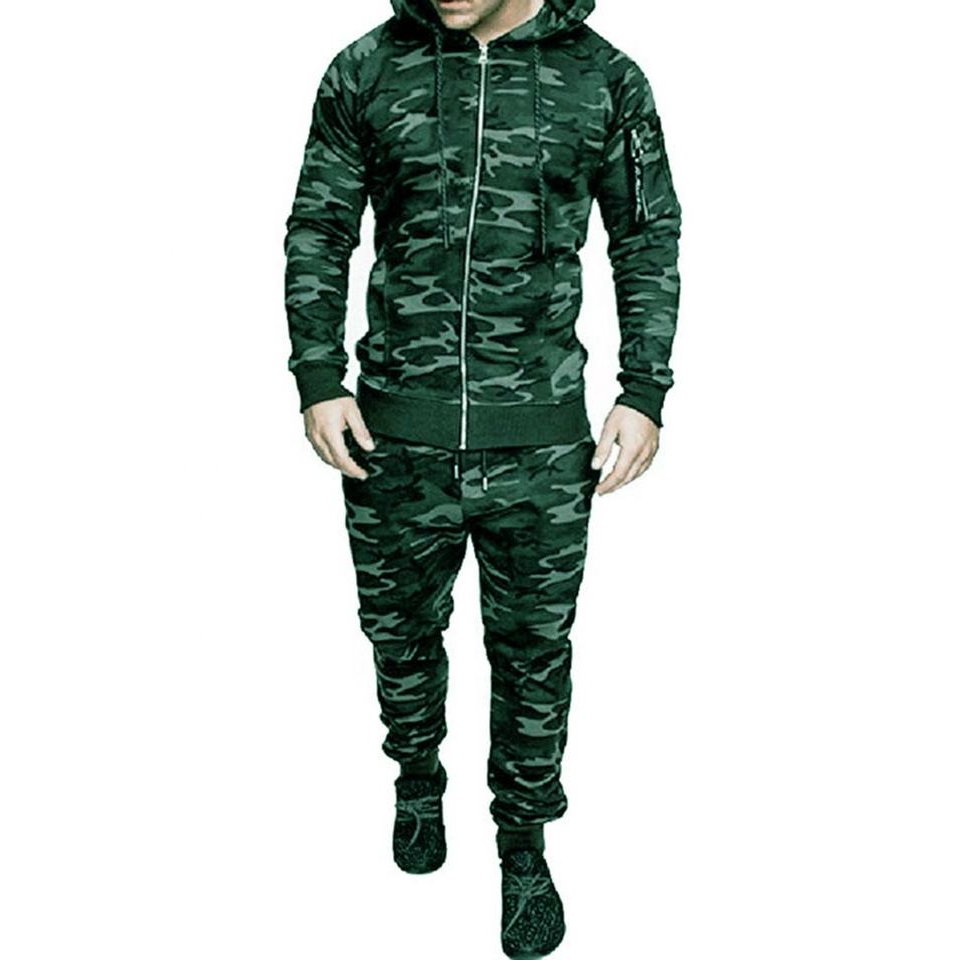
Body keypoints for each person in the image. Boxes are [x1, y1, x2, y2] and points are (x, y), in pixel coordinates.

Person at [282, 0, 681, 954]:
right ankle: (418, 779)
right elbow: (320, 224)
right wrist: (317, 376)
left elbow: (646, 234)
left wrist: (644, 388)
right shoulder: (365, 69)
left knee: (535, 655)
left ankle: (524, 843)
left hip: (540, 441)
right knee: (399, 635)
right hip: (392, 433)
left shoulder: (606, 79)